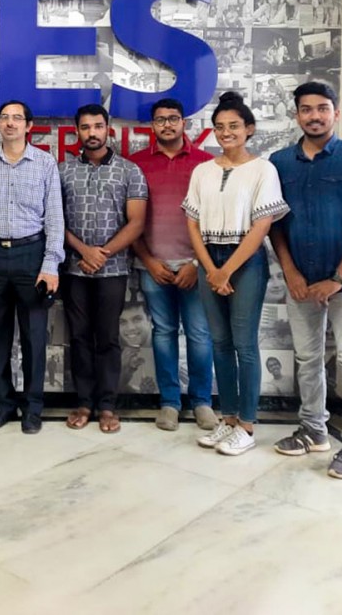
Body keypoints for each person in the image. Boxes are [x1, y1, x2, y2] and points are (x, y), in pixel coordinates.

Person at [269, 81, 342, 479]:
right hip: (301, 281)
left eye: (322, 108)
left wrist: (337, 278)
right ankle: (313, 430)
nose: (314, 116)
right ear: (297, 114)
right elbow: (275, 224)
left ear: (336, 112)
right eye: (306, 109)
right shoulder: (280, 162)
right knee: (307, 357)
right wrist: (291, 272)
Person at [182, 92, 289, 456]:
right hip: (208, 259)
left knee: (245, 344)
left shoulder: (263, 170)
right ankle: (227, 419)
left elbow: (262, 226)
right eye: (219, 127)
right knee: (220, 343)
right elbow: (192, 223)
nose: (226, 133)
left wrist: (226, 270)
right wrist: (211, 269)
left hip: (246, 262)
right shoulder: (203, 171)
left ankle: (246, 425)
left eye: (234, 126)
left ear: (249, 129)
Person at [0, 100, 65, 434]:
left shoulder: (45, 163)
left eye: (17, 118)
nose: (10, 123)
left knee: (34, 339)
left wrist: (50, 265)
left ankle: (32, 408)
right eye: (4, 117)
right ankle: (3, 404)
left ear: (28, 125)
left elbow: (55, 218)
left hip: (31, 256)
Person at [59, 105, 147, 433]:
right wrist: (84, 251)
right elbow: (54, 219)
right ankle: (84, 402)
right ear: (77, 132)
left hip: (114, 269)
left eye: (98, 126)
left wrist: (102, 254)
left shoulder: (129, 171)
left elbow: (136, 223)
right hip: (74, 268)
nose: (92, 133)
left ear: (108, 129)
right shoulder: (63, 171)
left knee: (108, 337)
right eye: (85, 127)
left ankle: (108, 405)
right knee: (79, 336)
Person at [131, 99, 217, 433]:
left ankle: (202, 401)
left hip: (196, 266)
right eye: (160, 120)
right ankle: (169, 402)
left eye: (173, 119)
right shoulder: (137, 164)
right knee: (163, 333)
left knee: (199, 334)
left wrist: (197, 263)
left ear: (184, 122)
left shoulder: (206, 164)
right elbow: (131, 221)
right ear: (152, 126)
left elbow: (214, 219)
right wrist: (148, 261)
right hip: (153, 266)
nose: (167, 125)